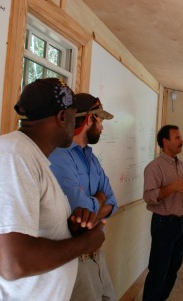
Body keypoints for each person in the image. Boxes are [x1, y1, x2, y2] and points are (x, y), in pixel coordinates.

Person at [0, 78, 106, 300]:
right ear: (63, 117)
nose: (75, 125)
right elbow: (13, 263)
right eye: (74, 117)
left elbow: (33, 230)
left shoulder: (28, 157)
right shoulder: (11, 157)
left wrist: (71, 227)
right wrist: (85, 243)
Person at [49, 93, 118, 301]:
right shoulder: (58, 155)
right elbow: (78, 207)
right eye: (100, 121)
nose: (102, 127)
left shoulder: (91, 158)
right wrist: (99, 199)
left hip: (97, 255)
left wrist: (93, 208)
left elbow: (113, 201)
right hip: (74, 261)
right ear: (89, 119)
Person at [142, 124, 183, 301]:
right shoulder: (154, 167)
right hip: (163, 224)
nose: (182, 141)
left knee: (173, 269)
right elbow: (148, 196)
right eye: (177, 138)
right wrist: (170, 188)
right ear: (165, 142)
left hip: (182, 224)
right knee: (158, 272)